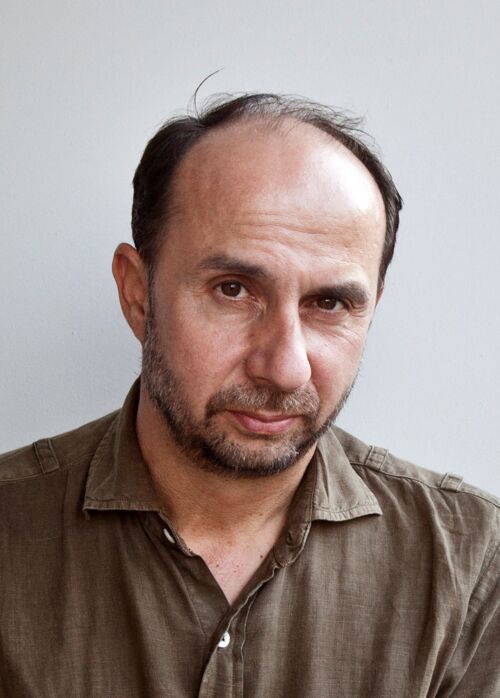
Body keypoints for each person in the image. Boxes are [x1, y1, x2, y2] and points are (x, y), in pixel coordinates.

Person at [0, 93, 498, 698]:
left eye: (330, 303)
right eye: (233, 289)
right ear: (137, 295)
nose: (284, 369)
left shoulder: (473, 565)